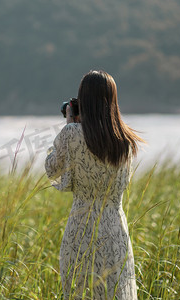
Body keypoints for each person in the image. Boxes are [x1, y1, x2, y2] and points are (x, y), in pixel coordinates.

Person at [45, 70, 143, 299]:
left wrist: (71, 124)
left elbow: (52, 170)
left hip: (80, 230)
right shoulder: (126, 141)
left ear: (83, 101)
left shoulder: (72, 134)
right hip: (115, 230)